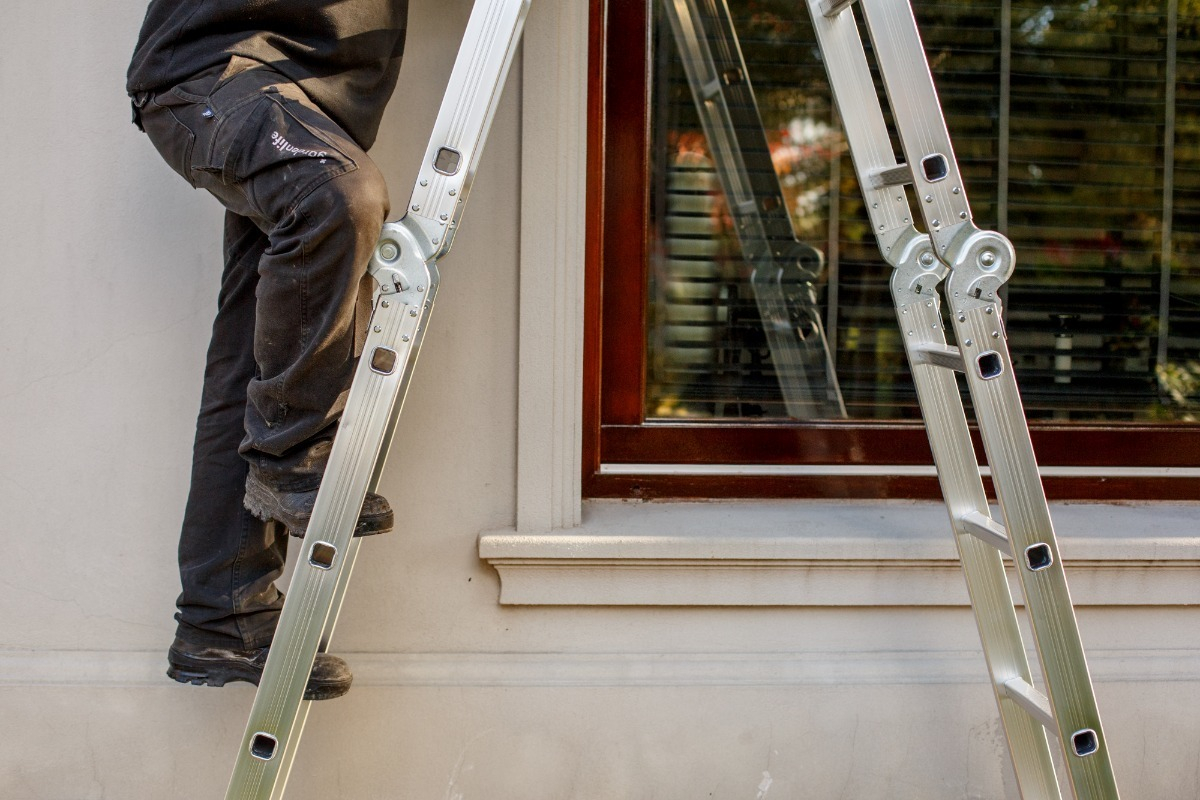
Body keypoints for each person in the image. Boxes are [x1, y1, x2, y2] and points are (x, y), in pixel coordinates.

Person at [127, 0, 409, 701]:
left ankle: (224, 618)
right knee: (336, 195)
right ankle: (295, 458)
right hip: (216, 75)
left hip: (315, 104)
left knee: (256, 352)